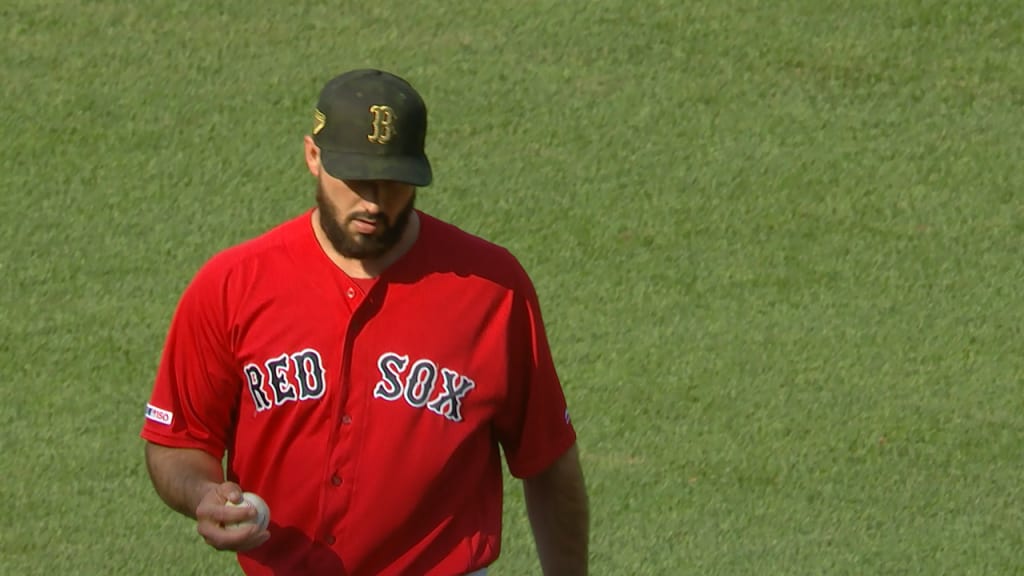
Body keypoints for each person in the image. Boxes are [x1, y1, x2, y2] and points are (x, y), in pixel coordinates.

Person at [140, 68, 589, 576]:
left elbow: (548, 461)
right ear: (313, 156)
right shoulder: (232, 286)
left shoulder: (492, 289)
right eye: (355, 179)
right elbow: (179, 442)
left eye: (393, 182)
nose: (373, 202)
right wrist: (205, 495)